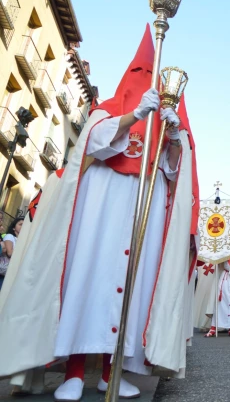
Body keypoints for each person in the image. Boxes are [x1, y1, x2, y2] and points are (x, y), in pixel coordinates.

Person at [0, 24, 195, 401]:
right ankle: (74, 371)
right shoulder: (106, 112)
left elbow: (172, 170)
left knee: (129, 290)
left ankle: (111, 370)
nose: (141, 82)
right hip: (101, 208)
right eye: (137, 75)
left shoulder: (165, 118)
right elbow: (97, 143)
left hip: (145, 206)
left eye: (146, 77)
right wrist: (135, 115)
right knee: (88, 282)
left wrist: (173, 137)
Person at [0, 216, 22, 290]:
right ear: (14, 228)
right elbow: (9, 253)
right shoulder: (10, 236)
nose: (23, 226)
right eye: (20, 224)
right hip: (5, 271)